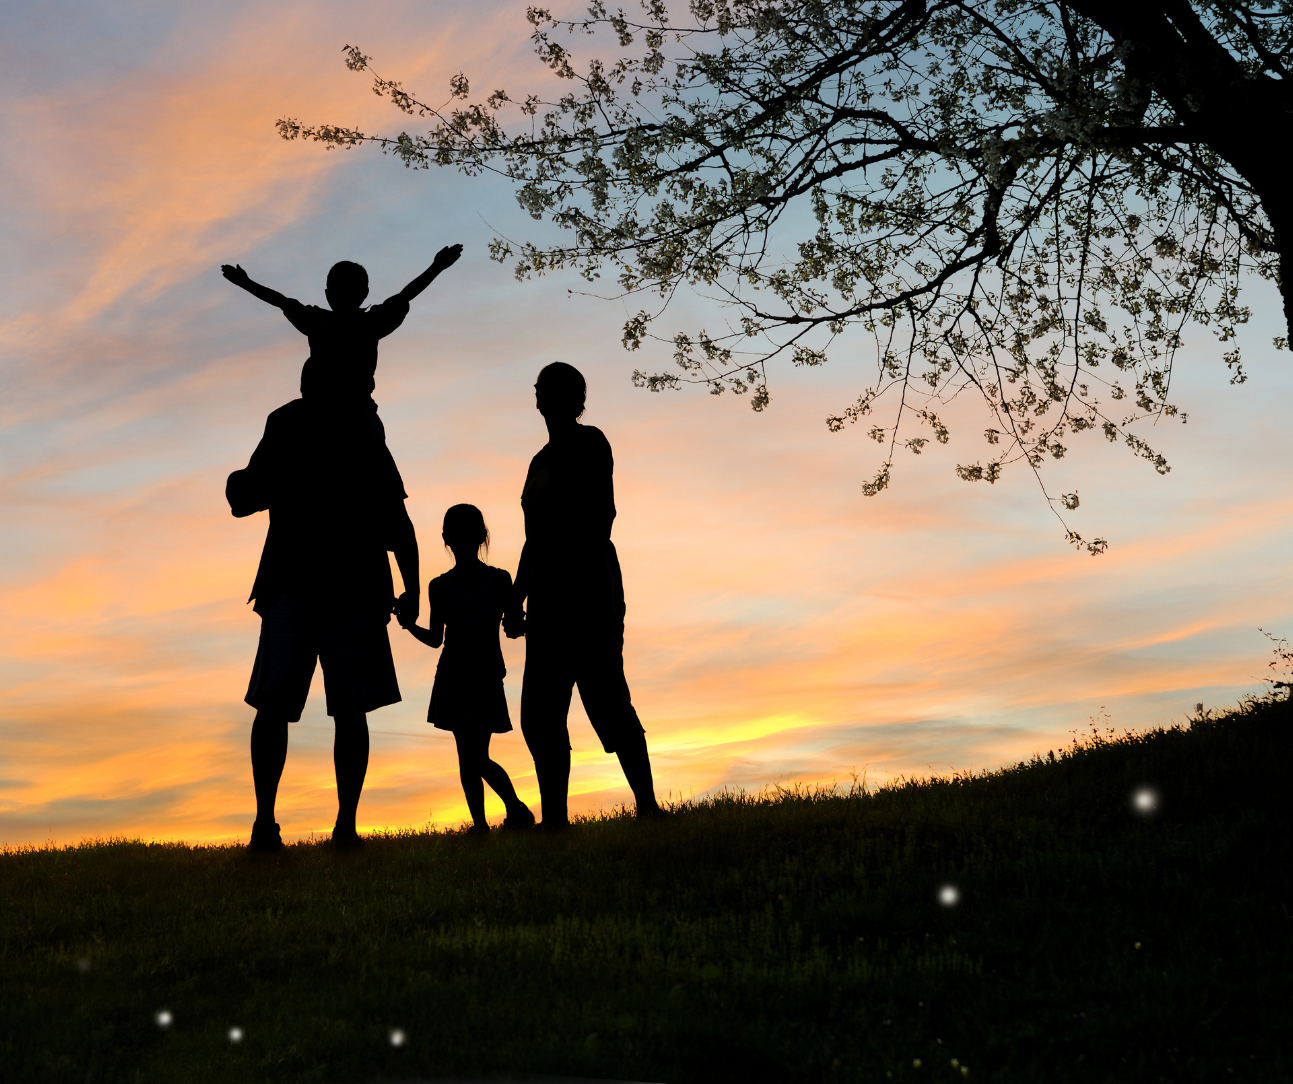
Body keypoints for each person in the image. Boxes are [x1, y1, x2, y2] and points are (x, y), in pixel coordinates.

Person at [515, 362, 665, 828]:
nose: (545, 398)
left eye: (555, 391)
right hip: (546, 596)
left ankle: (648, 806)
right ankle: (555, 819)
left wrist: (566, 571)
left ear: (575, 400)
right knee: (540, 713)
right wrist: (517, 596)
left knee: (605, 696)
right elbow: (531, 538)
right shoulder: (538, 462)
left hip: (588, 587)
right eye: (542, 389)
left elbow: (601, 516)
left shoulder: (591, 442)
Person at [400, 504, 534, 833]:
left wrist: (408, 625)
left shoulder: (496, 581)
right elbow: (436, 639)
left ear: (447, 539)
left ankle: (513, 811)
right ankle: (485, 823)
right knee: (470, 755)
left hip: (482, 678)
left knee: (473, 756)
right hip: (456, 678)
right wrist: (409, 625)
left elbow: (435, 639)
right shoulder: (445, 585)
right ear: (481, 536)